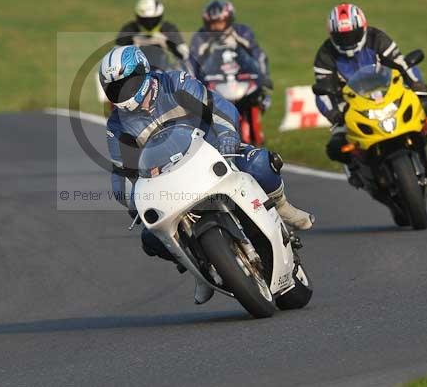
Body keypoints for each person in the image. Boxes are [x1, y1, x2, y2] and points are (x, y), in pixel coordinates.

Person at [100, 45, 313, 305]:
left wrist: (227, 137)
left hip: (214, 154)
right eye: (115, 88)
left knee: (260, 163)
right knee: (150, 238)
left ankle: (283, 207)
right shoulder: (117, 124)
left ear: (144, 74)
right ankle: (200, 273)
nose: (123, 93)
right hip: (170, 182)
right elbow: (121, 173)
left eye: (127, 84)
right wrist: (134, 201)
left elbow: (219, 108)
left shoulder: (175, 84)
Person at [312, 3, 427, 166]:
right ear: (332, 35)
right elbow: (323, 89)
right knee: (336, 147)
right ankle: (357, 168)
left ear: (363, 28)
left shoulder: (377, 38)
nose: (347, 40)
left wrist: (417, 85)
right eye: (342, 37)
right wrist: (335, 114)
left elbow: (401, 63)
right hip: (352, 106)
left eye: (352, 35)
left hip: (388, 92)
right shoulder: (325, 54)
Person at [189, 0, 272, 110]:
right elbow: (191, 63)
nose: (216, 28)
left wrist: (263, 77)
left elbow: (258, 55)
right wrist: (194, 87)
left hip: (242, 78)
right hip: (214, 82)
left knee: (260, 98)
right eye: (212, 24)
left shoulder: (242, 32)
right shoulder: (200, 37)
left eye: (220, 23)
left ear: (228, 20)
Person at [117, 0, 193, 74]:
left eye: (152, 20)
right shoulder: (129, 29)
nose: (149, 24)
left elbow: (185, 54)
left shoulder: (168, 29)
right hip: (136, 73)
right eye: (145, 20)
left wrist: (170, 44)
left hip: (165, 72)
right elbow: (116, 55)